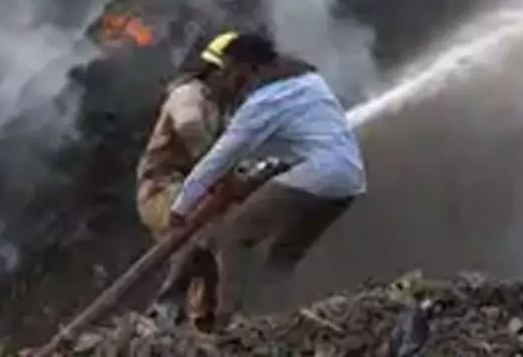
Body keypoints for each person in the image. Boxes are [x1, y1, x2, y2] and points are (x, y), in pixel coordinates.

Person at [152, 32, 366, 326]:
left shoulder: (264, 103)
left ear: (244, 66)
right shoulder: (309, 82)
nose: (228, 79)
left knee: (235, 235)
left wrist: (182, 206)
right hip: (350, 181)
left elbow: (219, 159)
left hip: (318, 175)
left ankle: (228, 321)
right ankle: (272, 309)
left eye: (229, 69)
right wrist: (256, 174)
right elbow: (299, 137)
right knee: (284, 253)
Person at [134, 30, 242, 331]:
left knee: (210, 256)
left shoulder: (220, 108)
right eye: (239, 75)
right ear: (220, 70)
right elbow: (190, 127)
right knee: (200, 230)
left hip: (190, 187)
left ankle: (200, 324)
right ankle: (164, 309)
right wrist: (216, 167)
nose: (242, 84)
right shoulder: (189, 94)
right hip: (161, 188)